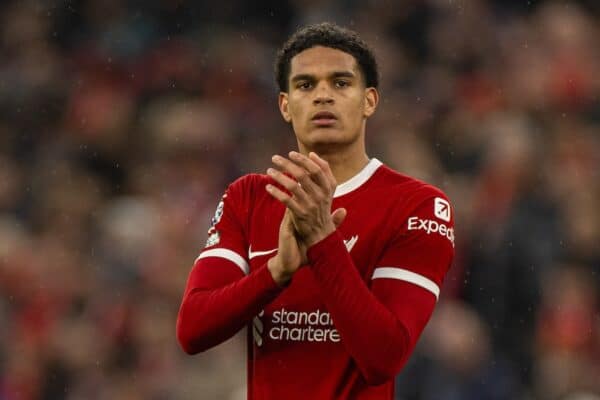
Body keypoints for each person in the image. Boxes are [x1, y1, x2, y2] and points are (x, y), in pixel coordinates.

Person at [176, 22, 455, 399]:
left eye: (341, 83)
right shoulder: (250, 197)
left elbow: (383, 357)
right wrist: (277, 271)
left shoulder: (417, 205)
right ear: (285, 105)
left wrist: (323, 240)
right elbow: (193, 330)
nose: (323, 95)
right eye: (306, 85)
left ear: (369, 101)